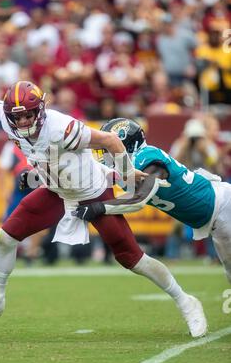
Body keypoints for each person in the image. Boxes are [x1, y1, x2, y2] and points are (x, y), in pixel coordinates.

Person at [0, 81, 206, 337]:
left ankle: (185, 301)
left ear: (41, 109)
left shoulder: (62, 128)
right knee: (5, 236)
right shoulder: (7, 117)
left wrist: (125, 178)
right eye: (18, 116)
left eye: (29, 114)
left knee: (132, 259)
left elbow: (111, 140)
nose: (24, 121)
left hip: (92, 191)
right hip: (56, 190)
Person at [73, 118, 231, 285]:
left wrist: (98, 208)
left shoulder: (146, 158)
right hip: (215, 218)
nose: (104, 154)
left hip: (223, 206)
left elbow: (138, 200)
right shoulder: (126, 168)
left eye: (108, 147)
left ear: (125, 144)